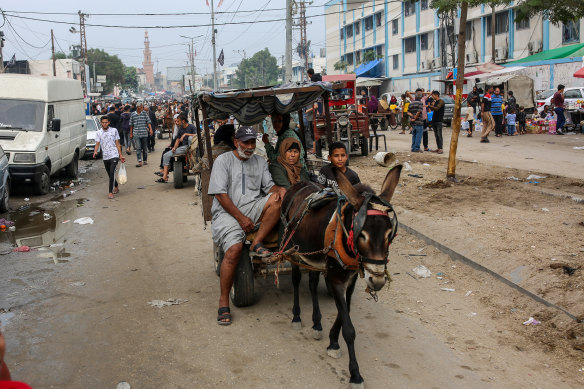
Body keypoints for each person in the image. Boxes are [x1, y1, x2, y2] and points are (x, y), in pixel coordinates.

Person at [209, 126, 287, 325]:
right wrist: (241, 219)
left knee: (277, 199)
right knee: (234, 249)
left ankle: (257, 242)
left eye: (253, 142)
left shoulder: (260, 161)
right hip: (227, 212)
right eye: (246, 142)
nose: (250, 146)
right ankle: (223, 300)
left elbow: (268, 187)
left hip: (253, 207)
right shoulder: (223, 161)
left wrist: (280, 189)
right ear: (236, 142)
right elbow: (221, 195)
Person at [156, 113, 197, 183]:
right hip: (184, 148)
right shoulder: (181, 128)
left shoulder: (192, 127)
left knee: (190, 138)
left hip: (193, 148)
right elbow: (177, 140)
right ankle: (165, 176)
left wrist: (186, 134)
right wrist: (174, 148)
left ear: (183, 121)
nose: (177, 122)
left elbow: (197, 135)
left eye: (178, 121)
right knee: (166, 155)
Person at [94, 116, 126, 199]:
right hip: (105, 156)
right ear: (101, 123)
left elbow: (117, 143)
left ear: (109, 122)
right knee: (110, 174)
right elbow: (97, 144)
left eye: (106, 122)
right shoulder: (98, 133)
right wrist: (95, 151)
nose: (104, 124)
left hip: (114, 154)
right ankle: (116, 186)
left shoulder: (114, 130)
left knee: (112, 172)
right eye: (103, 122)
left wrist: (120, 155)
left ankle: (110, 192)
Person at [129, 102, 153, 167]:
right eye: (140, 108)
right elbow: (131, 124)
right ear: (137, 108)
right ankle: (139, 161)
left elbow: (148, 122)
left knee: (145, 148)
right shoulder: (133, 114)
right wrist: (131, 133)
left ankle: (145, 160)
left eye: (142, 108)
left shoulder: (144, 113)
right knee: (138, 147)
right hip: (136, 133)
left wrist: (150, 129)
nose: (141, 109)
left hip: (144, 133)